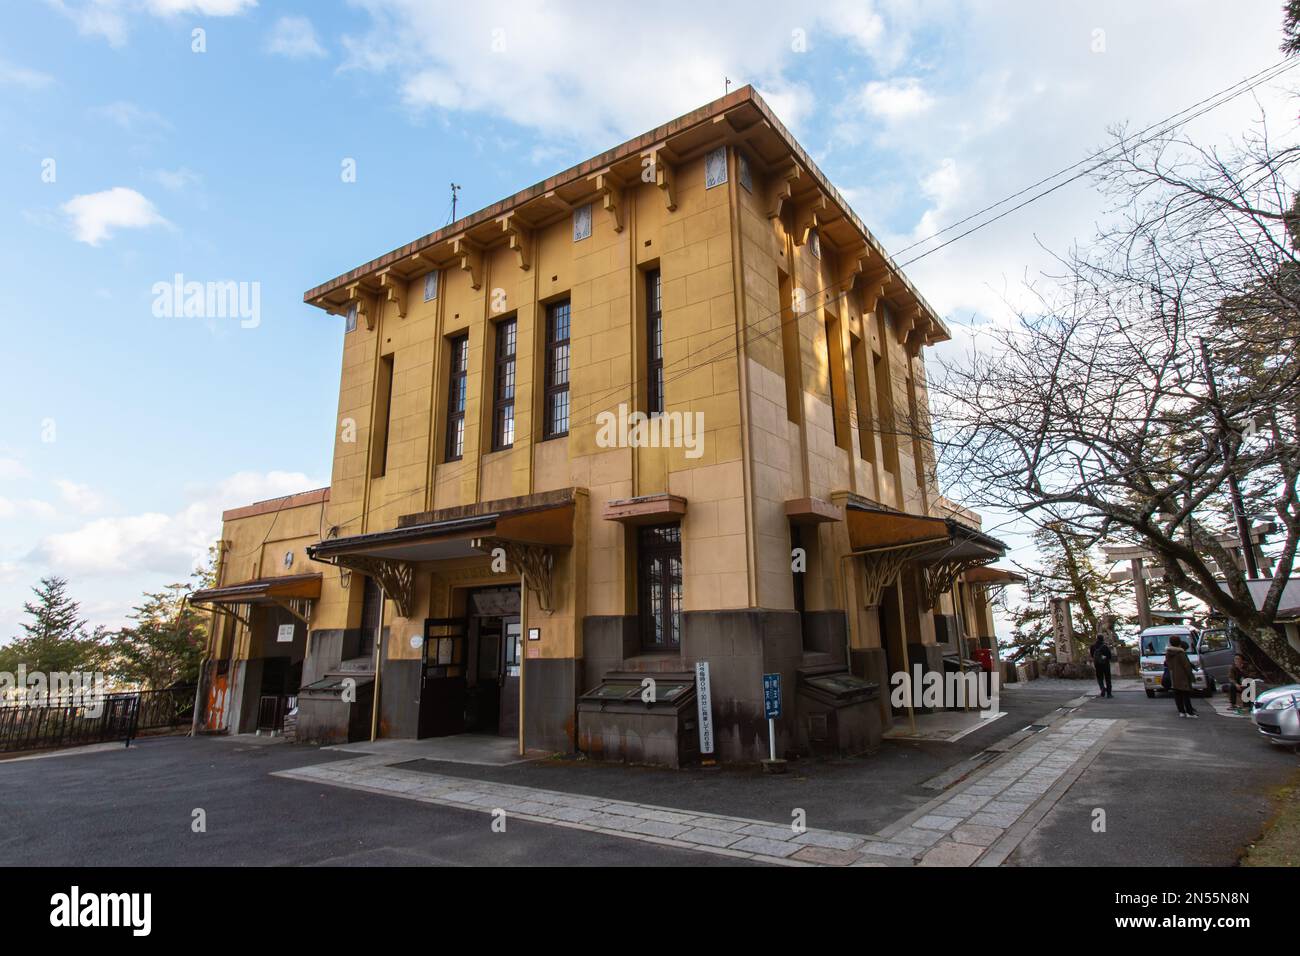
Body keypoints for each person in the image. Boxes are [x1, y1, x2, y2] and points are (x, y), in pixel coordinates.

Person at [1165, 635, 1198, 718]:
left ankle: (1181, 712)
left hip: (1174, 676)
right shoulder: (1180, 653)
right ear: (1179, 642)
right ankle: (1189, 712)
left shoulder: (1168, 653)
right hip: (1183, 676)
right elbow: (1186, 666)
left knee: (1177, 695)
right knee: (1186, 695)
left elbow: (1168, 664)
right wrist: (1191, 677)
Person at [1089, 634, 1114, 698]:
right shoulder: (1105, 646)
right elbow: (1109, 656)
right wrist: (1104, 657)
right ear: (1103, 639)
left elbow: (1092, 655)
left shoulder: (1093, 646)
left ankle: (1102, 688)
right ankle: (1109, 694)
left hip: (1097, 664)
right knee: (1108, 679)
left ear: (1096, 638)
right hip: (1105, 664)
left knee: (1100, 678)